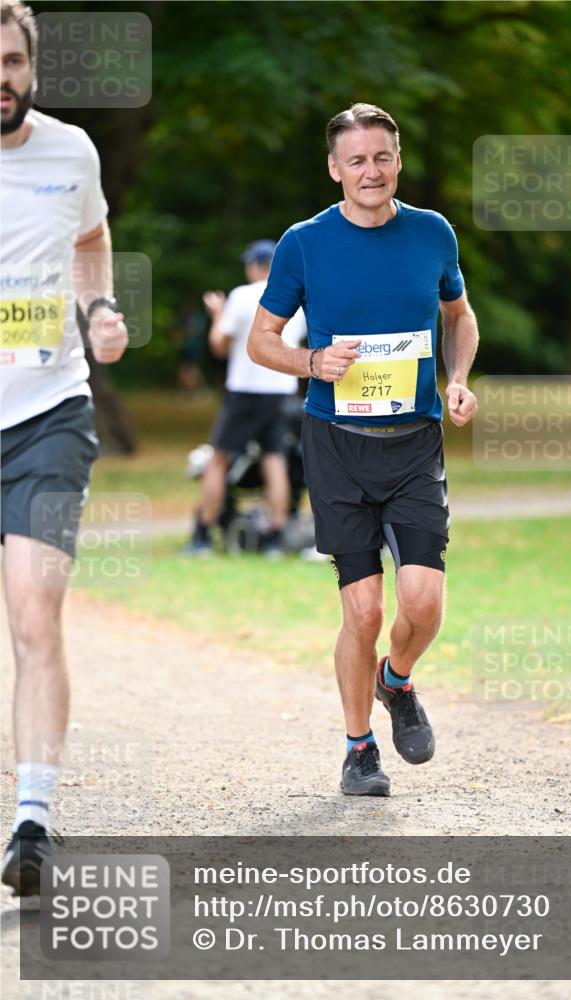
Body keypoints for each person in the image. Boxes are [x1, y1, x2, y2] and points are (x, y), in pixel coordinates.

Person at [248, 103, 479, 796]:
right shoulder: (304, 242)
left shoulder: (432, 233)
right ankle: (357, 750)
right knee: (364, 612)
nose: (370, 171)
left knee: (424, 602)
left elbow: (459, 318)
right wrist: (312, 363)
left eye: (382, 157)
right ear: (334, 168)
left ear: (397, 160)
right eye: (356, 160)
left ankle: (396, 681)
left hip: (414, 443)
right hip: (336, 445)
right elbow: (263, 341)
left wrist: (458, 379)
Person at [0, 0, 128, 894]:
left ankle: (32, 822)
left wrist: (100, 307)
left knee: (34, 617)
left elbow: (90, 241)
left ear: (31, 66)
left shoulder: (70, 152)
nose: (0, 77)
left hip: (48, 411)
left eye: (10, 60)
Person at [184, 240, 306, 557]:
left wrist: (217, 316)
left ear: (254, 266)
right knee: (274, 460)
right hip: (282, 391)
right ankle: (276, 538)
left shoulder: (242, 296)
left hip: (245, 391)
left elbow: (219, 347)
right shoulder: (299, 298)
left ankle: (202, 534)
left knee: (219, 458)